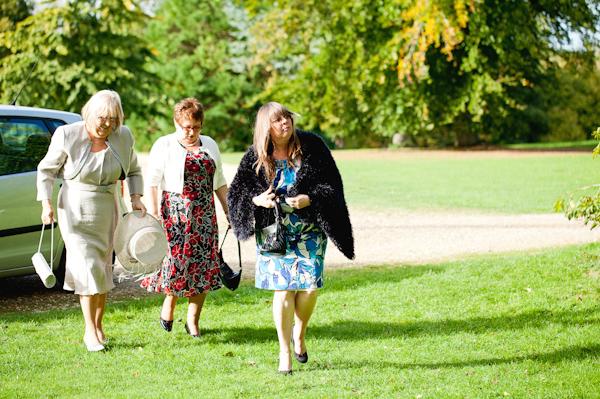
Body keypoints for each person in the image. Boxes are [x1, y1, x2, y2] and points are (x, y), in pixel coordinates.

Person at [227, 102, 354, 374]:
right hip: (274, 233)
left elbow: (333, 186)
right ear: (266, 127)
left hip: (309, 231)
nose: (285, 122)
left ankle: (300, 332)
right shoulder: (255, 157)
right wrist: (256, 200)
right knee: (283, 290)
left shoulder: (312, 146)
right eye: (278, 120)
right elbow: (237, 194)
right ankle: (284, 352)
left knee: (309, 288)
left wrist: (311, 198)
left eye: (287, 117)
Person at [37, 90, 146, 352]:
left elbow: (133, 169)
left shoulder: (123, 136)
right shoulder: (67, 134)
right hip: (74, 208)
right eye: (102, 118)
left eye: (113, 119)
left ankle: (98, 327)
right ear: (89, 113)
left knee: (102, 267)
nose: (107, 124)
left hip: (108, 207)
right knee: (86, 265)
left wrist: (136, 197)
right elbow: (46, 170)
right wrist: (46, 203)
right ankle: (89, 331)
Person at [141, 98, 229, 338]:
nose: (191, 132)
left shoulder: (210, 144)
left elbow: (219, 181)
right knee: (176, 264)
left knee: (203, 265)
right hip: (175, 214)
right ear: (176, 122)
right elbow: (151, 183)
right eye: (186, 126)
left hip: (205, 214)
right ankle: (169, 304)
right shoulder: (164, 144)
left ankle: (193, 321)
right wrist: (154, 214)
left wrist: (229, 210)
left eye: (196, 127)